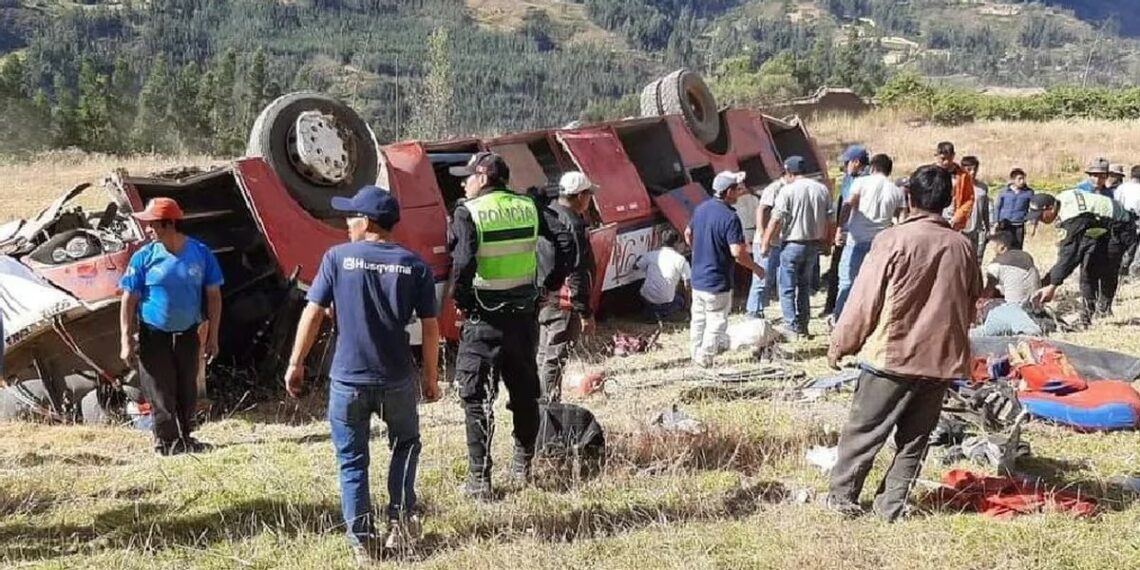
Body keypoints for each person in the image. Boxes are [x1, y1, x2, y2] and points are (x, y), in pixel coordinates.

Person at [282, 186, 440, 559]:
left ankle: (363, 544)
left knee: (352, 460)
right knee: (405, 446)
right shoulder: (414, 265)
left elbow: (314, 312)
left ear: (366, 221)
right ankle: (400, 529)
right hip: (397, 377)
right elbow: (431, 327)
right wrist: (430, 377)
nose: (346, 225)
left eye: (350, 217)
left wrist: (296, 362)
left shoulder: (337, 258)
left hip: (348, 380)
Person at [825, 165, 982, 522]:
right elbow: (974, 299)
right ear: (945, 203)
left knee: (864, 432)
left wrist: (841, 344)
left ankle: (842, 500)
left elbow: (864, 301)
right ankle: (891, 506)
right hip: (940, 360)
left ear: (908, 198)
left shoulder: (893, 239)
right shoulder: (963, 245)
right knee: (914, 441)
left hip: (891, 356)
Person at [447, 152, 571, 500]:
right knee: (524, 395)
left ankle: (479, 480)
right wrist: (548, 284)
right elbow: (566, 241)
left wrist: (463, 300)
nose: (463, 182)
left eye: (467, 176)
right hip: (523, 319)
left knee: (475, 398)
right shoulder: (528, 206)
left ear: (483, 177)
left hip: (483, 320)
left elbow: (463, 262)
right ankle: (522, 466)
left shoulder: (468, 212)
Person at [119, 197, 222, 456]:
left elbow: (214, 295)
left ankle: (185, 438)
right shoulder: (144, 257)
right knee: (160, 390)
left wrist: (213, 337)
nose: (148, 229)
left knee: (187, 387)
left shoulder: (200, 253)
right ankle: (165, 443)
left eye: (152, 224)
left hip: (188, 333)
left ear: (167, 223)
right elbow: (128, 299)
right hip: (154, 334)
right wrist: (126, 340)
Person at [1030, 162, 1138, 324]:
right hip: (1100, 227)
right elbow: (1068, 254)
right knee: (1088, 269)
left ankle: (1103, 310)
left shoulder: (1073, 216)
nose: (1041, 221)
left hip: (1120, 229)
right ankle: (1087, 314)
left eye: (1041, 217)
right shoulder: (1062, 197)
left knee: (1103, 268)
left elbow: (1070, 255)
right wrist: (1049, 280)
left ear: (1050, 208)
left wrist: (1052, 286)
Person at [684, 170, 765, 366]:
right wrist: (756, 268)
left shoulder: (701, 209)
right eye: (736, 190)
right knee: (717, 321)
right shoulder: (730, 217)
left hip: (698, 277)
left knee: (699, 319)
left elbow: (688, 232)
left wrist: (699, 249)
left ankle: (694, 352)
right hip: (717, 280)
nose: (739, 193)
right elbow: (737, 252)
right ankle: (705, 357)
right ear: (727, 192)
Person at [536, 171, 596, 403]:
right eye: (589, 195)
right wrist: (584, 311)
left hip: (544, 296)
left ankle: (538, 401)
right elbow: (577, 270)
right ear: (580, 196)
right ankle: (549, 405)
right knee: (555, 356)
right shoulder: (573, 224)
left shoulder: (548, 214)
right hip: (563, 302)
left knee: (543, 353)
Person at [761, 156, 834, 340]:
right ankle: (803, 325)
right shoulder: (822, 189)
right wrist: (827, 243)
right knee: (804, 286)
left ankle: (791, 326)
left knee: (786, 287)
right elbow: (831, 220)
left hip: (792, 244)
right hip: (813, 245)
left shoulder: (788, 191)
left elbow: (776, 218)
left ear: (789, 173)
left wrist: (765, 243)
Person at [833, 153, 904, 321]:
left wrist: (839, 229)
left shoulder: (861, 183)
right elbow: (902, 219)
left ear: (872, 167)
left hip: (856, 240)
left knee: (847, 284)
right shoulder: (896, 190)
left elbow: (848, 205)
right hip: (881, 244)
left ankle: (840, 320)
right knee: (875, 286)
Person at [822, 145, 869, 318]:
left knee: (849, 272)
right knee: (836, 269)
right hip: (844, 230)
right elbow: (842, 203)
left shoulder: (864, 181)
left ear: (856, 162)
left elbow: (849, 206)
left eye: (847, 162)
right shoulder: (849, 178)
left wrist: (841, 229)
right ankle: (831, 306)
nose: (845, 166)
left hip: (854, 233)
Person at [636, 229, 691, 322]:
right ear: (676, 243)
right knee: (680, 300)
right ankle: (665, 315)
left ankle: (651, 314)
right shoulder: (681, 260)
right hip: (667, 302)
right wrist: (688, 305)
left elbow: (636, 266)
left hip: (648, 300)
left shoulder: (651, 255)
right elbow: (688, 285)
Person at [983, 231, 1040, 304]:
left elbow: (988, 292)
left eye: (993, 248)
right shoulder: (1027, 256)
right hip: (1035, 305)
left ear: (1002, 248)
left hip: (1014, 308)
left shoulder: (996, 265)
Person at [935, 141, 976, 232]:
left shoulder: (963, 176)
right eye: (943, 158)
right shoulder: (930, 173)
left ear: (953, 155)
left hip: (953, 219)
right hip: (934, 217)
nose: (946, 162)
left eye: (949, 158)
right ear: (936, 156)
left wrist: (958, 216)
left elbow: (969, 199)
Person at [993, 168, 1034, 250]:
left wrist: (1032, 224)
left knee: (1017, 249)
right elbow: (997, 207)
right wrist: (995, 222)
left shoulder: (1029, 193)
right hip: (1004, 225)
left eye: (1023, 178)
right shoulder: (1004, 192)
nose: (1022, 181)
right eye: (1019, 179)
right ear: (1012, 180)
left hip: (1019, 225)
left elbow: (1033, 208)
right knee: (1002, 248)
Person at [959, 156, 991, 261]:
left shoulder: (982, 188)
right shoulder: (956, 186)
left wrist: (988, 227)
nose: (972, 172)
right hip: (960, 229)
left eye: (975, 169)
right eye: (969, 170)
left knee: (976, 259)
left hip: (977, 230)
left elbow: (985, 208)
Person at [1114, 165, 1140, 277]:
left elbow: (1116, 203)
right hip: (1138, 220)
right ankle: (1135, 268)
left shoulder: (1122, 188)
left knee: (1127, 245)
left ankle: (1123, 267)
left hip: (1123, 220)